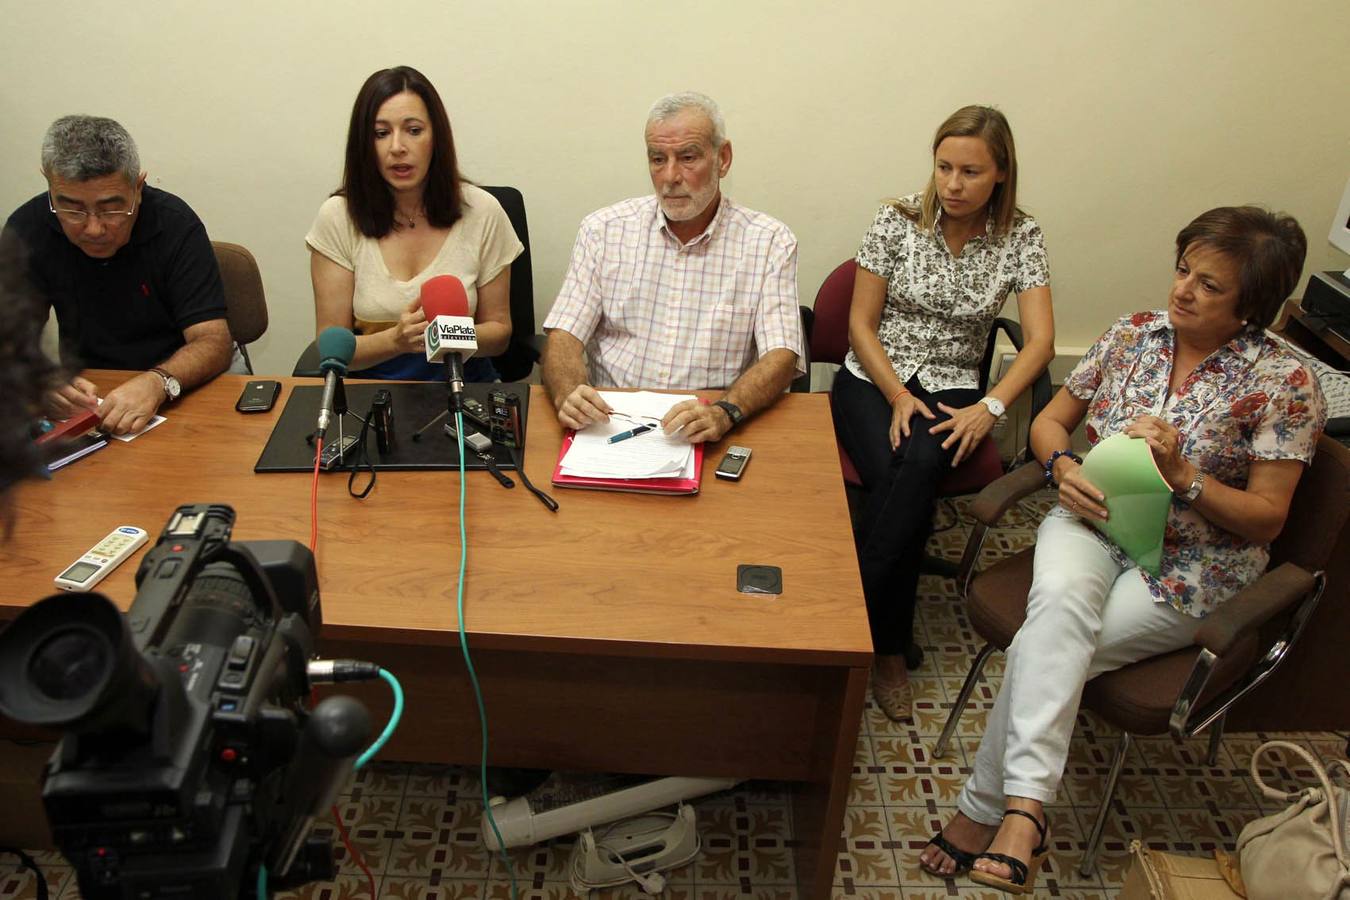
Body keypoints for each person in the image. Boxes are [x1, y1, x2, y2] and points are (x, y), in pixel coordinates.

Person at [919, 206, 1326, 894]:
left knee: (1041, 647)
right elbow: (1052, 422)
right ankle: (1020, 817)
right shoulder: (1135, 334)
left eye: (1209, 285)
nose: (1183, 290)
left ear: (1251, 306)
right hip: (1090, 524)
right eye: (1182, 270)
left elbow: (1265, 520)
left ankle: (993, 810)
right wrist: (1062, 470)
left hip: (1192, 568)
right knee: (1060, 620)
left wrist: (1188, 479)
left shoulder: (1285, 385)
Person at [830, 106, 1054, 721]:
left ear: (1001, 175)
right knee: (915, 468)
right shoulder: (896, 218)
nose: (952, 184)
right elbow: (859, 323)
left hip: (957, 387)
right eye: (944, 167)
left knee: (912, 466)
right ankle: (889, 647)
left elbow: (1038, 342)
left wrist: (993, 405)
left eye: (970, 172)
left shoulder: (1021, 236)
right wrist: (898, 394)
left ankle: (853, 615)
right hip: (870, 378)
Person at [541, 91, 804, 444]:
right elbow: (565, 335)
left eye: (688, 157)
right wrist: (569, 393)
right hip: (611, 423)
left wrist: (726, 412)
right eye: (657, 159)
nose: (670, 176)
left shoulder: (769, 241)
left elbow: (781, 355)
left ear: (722, 158)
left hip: (707, 422)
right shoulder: (603, 229)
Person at [2, 115, 233, 436]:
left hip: (184, 382)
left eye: (111, 209)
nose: (94, 228)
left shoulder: (175, 224)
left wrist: (159, 382)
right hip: (93, 391)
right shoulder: (27, 229)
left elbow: (213, 341)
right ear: (50, 185)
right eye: (72, 209)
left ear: (138, 187)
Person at [307, 65, 523, 381]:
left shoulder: (483, 211)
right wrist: (395, 341)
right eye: (381, 133)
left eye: (413, 130)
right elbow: (332, 346)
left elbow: (500, 334)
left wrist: (448, 336)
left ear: (436, 137)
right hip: (372, 395)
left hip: (465, 388)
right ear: (364, 144)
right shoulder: (338, 217)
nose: (397, 147)